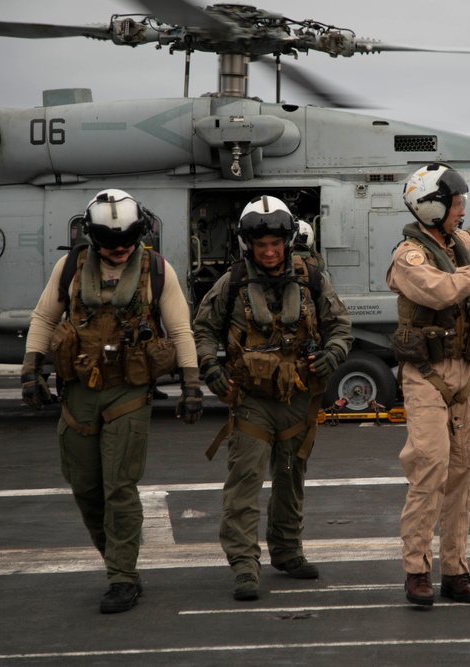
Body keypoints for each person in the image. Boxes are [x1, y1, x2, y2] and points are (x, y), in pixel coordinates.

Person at [21, 189, 203, 614]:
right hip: (79, 391)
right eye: (109, 243)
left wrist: (191, 385)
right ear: (92, 237)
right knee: (85, 486)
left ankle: (122, 576)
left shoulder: (158, 271)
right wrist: (30, 370)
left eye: (126, 241)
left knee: (120, 485)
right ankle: (118, 562)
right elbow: (44, 317)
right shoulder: (69, 268)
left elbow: (180, 331)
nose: (119, 250)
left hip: (128, 392)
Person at [192, 195, 352, 601]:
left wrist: (332, 355)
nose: (268, 252)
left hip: (298, 395)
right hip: (251, 398)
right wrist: (211, 369)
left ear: (286, 242)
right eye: (260, 245)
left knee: (291, 478)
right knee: (246, 478)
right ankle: (245, 565)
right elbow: (204, 329)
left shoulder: (312, 278)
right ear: (249, 244)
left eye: (275, 244)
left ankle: (286, 551)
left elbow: (340, 325)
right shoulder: (232, 283)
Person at [387, 163, 470, 606]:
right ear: (432, 207)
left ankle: (456, 569)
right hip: (426, 374)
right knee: (430, 469)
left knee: (462, 473)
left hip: (465, 370)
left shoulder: (460, 241)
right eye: (456, 203)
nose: (462, 211)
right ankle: (416, 569)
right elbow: (443, 292)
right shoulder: (409, 257)